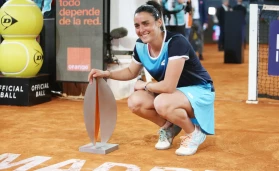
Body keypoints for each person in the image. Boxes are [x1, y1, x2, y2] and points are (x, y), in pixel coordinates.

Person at [88, 0, 215, 156]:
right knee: (135, 101)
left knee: (161, 102)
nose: (141, 30)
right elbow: (130, 71)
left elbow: (168, 86)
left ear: (159, 22)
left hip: (198, 90)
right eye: (137, 25)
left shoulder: (176, 42)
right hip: (173, 93)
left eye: (146, 24)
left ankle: (193, 132)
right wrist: (107, 73)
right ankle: (169, 127)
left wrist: (145, 85)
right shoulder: (140, 45)